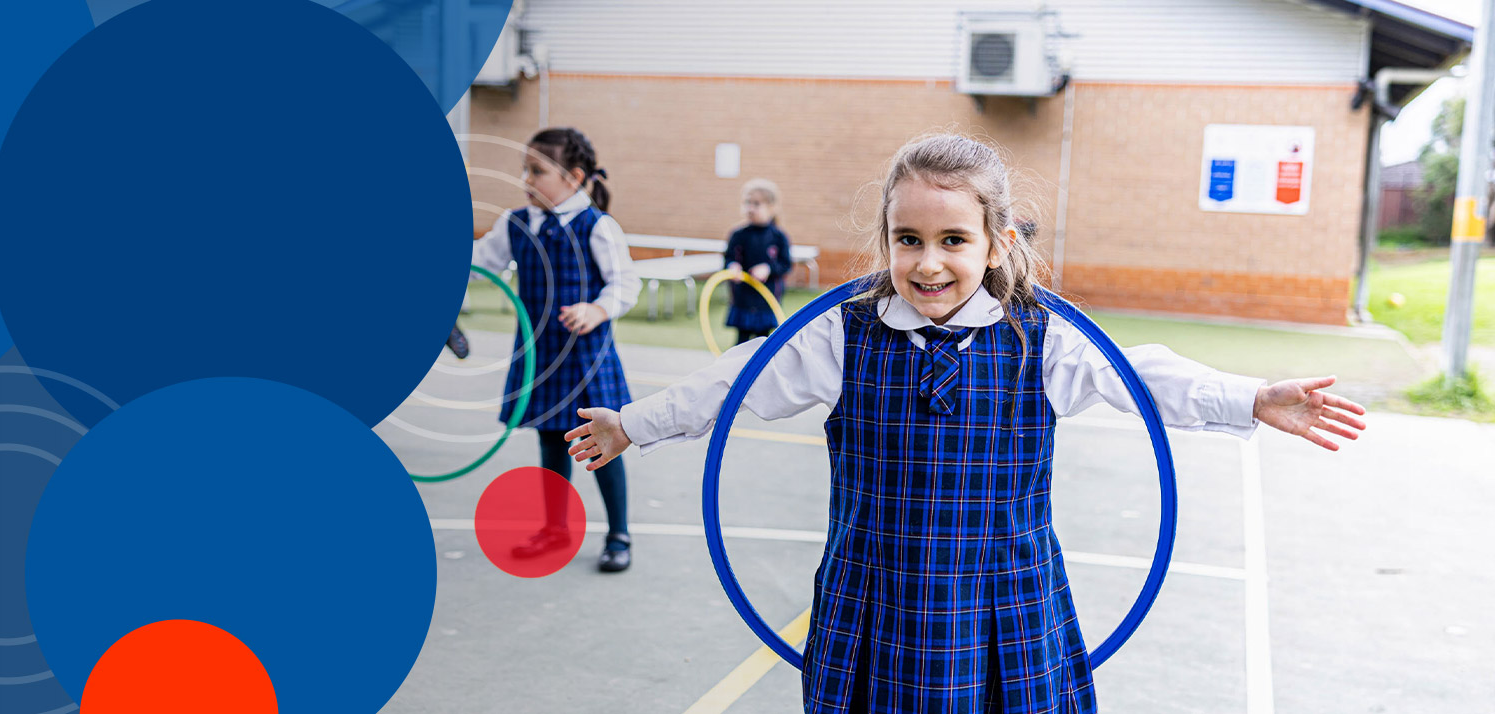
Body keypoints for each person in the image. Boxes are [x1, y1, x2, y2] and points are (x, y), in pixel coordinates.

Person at [564, 134, 1366, 709]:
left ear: (997, 242)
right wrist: (635, 423)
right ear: (886, 239)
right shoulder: (842, 333)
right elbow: (739, 379)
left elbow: (1145, 376)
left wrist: (1251, 396)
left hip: (1003, 597)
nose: (927, 263)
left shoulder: (1042, 339)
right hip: (876, 592)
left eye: (954, 239)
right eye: (907, 239)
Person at [471, 127, 642, 572]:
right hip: (540, 355)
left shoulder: (597, 226)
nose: (526, 180)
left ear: (573, 177)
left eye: (537, 171)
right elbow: (478, 266)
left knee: (602, 441)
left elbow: (626, 284)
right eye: (524, 170)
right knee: (550, 440)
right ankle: (554, 529)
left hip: (587, 359)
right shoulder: (516, 224)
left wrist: (597, 310)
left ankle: (619, 533)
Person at [723, 178, 793, 344]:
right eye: (747, 203)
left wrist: (768, 268)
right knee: (741, 342)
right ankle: (740, 370)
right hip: (743, 299)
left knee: (763, 344)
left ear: (771, 207)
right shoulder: (738, 235)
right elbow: (729, 257)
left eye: (756, 204)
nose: (750, 208)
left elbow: (786, 264)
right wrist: (733, 266)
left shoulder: (778, 237)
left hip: (765, 301)